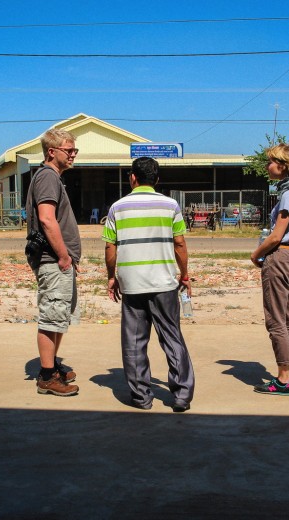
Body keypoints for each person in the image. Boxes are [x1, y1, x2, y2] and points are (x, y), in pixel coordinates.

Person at [102, 156, 195, 412]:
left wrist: (112, 277)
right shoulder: (171, 205)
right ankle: (181, 396)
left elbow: (110, 246)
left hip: (132, 284)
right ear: (156, 179)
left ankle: (142, 397)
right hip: (164, 283)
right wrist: (184, 274)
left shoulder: (117, 208)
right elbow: (179, 243)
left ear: (132, 178)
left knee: (134, 342)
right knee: (172, 337)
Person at [250, 143, 289, 396]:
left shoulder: (288, 195)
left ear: (284, 166)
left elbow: (276, 236)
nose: (268, 166)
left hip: (280, 257)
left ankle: (283, 379)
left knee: (276, 320)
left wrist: (256, 255)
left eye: (271, 161)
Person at [25, 128, 82, 396]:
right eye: (68, 150)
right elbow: (47, 219)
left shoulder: (52, 178)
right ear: (52, 151)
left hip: (59, 261)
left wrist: (69, 257)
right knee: (52, 316)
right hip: (53, 260)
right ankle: (47, 377)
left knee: (59, 316)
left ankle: (52, 367)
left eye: (74, 150)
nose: (73, 154)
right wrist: (62, 255)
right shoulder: (47, 177)